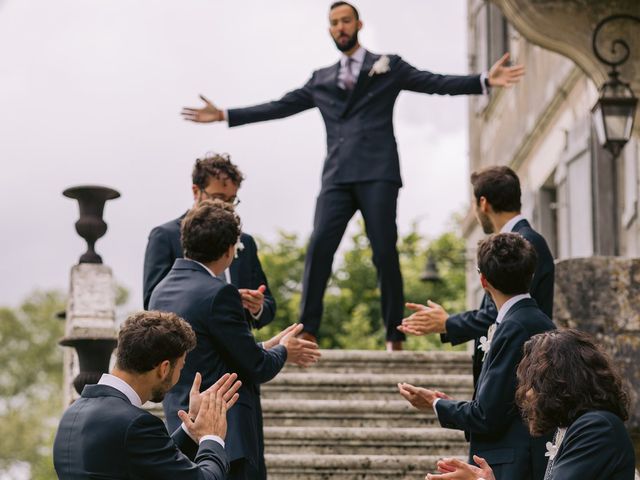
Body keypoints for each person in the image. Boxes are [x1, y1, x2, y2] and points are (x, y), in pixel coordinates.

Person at [181, 2, 525, 351]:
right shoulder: (321, 79)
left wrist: (483, 81)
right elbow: (278, 106)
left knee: (384, 253)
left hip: (379, 173)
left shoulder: (389, 65)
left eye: (345, 20)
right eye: (333, 23)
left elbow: (433, 82)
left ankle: (395, 334)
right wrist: (225, 114)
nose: (340, 27)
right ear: (329, 29)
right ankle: (308, 328)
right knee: (319, 248)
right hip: (337, 177)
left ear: (358, 24)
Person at [149, 199, 321, 480]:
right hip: (227, 434)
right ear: (230, 251)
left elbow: (213, 350)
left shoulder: (160, 291)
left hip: (183, 428)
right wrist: (284, 352)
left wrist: (269, 345)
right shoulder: (219, 293)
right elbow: (257, 367)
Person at [398, 233, 555, 480]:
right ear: (531, 274)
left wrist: (435, 404)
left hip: (512, 465)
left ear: (483, 281)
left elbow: (486, 416)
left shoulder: (515, 327)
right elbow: (501, 403)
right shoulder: (533, 320)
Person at [399, 166, 554, 382]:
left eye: (473, 204)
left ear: (483, 203)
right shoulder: (520, 241)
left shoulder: (526, 242)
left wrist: (448, 323)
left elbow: (505, 311)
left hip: (519, 375)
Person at [53, 310, 242, 480]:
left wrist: (191, 428)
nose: (179, 376)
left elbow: (147, 459)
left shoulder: (71, 415)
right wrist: (212, 437)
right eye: (181, 367)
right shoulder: (136, 424)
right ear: (164, 368)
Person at [424, 329, 636, 480]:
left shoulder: (597, 427)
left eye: (533, 382)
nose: (526, 392)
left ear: (557, 383)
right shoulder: (580, 425)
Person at [143, 152, 276, 330]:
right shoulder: (165, 235)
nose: (227, 206)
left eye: (232, 200)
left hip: (238, 349)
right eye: (219, 197)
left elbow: (269, 305)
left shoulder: (246, 242)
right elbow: (152, 302)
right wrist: (219, 300)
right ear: (196, 191)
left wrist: (257, 306)